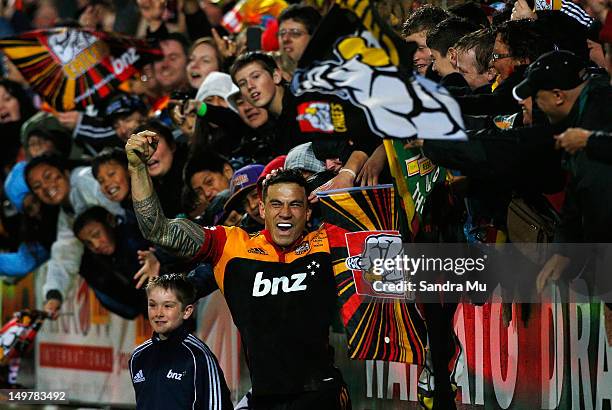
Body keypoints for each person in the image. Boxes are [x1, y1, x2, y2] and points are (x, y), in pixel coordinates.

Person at [125, 131, 350, 409]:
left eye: (295, 205)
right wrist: (137, 168)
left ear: (307, 212)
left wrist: (349, 170)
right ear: (262, 209)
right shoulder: (231, 244)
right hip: (265, 398)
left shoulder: (326, 241)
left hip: (322, 394)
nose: (285, 213)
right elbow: (158, 231)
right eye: (276, 204)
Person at [129, 274, 232, 410]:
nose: (158, 313)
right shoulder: (138, 357)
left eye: (168, 306)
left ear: (187, 311)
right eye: (152, 305)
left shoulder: (198, 357)